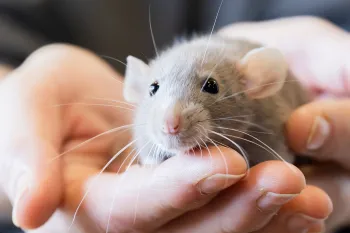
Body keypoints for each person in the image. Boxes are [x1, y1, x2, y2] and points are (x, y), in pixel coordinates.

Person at [0, 1, 348, 233]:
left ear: (256, 81)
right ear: (139, 87)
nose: (171, 121)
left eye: (209, 87)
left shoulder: (267, 112)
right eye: (154, 90)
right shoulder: (142, 126)